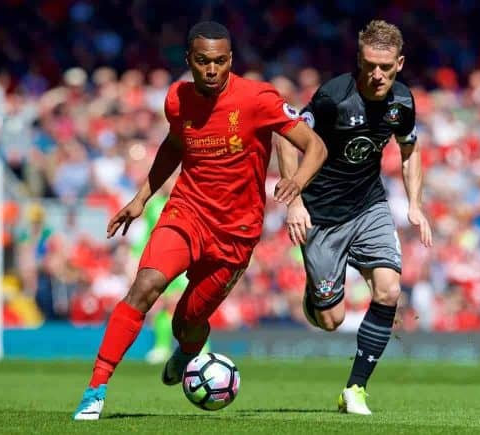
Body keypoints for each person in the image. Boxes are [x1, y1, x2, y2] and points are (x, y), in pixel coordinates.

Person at [73, 21, 327, 420]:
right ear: (189, 60)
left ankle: (188, 352)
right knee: (145, 285)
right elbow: (174, 144)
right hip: (187, 213)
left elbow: (314, 146)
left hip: (236, 234)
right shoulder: (177, 99)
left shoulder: (258, 98)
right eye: (204, 61)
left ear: (231, 61)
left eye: (221, 61)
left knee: (187, 322)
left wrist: (296, 182)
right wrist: (141, 198)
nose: (212, 70)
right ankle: (95, 389)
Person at [276, 19, 432, 415]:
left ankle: (355, 389)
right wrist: (294, 199)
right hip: (322, 216)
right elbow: (284, 133)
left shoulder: (402, 102)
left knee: (389, 291)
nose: (376, 74)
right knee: (331, 320)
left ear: (399, 63)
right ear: (358, 60)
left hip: (368, 205)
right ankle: (316, 293)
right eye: (368, 65)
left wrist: (414, 203)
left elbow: (409, 149)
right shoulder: (333, 97)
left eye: (385, 66)